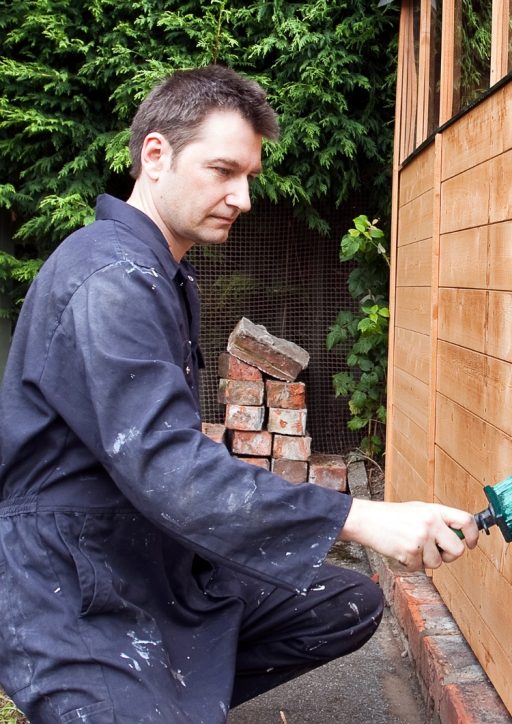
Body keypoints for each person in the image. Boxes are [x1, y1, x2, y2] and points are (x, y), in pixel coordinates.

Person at [0, 64, 479, 723]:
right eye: (224, 170)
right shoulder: (110, 278)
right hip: (73, 581)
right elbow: (169, 468)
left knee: (345, 603)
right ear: (157, 155)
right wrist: (362, 517)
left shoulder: (164, 274)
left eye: (249, 176)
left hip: (152, 557)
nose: (244, 196)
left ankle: (165, 693)